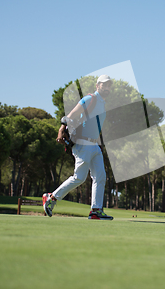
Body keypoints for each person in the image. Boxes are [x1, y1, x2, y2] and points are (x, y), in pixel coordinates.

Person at [43, 74, 113, 220]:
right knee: (79, 178)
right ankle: (51, 197)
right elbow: (71, 115)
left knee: (100, 177)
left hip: (95, 145)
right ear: (97, 85)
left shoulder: (103, 103)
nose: (106, 88)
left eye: (108, 85)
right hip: (83, 144)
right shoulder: (90, 99)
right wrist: (61, 129)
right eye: (104, 85)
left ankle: (95, 210)